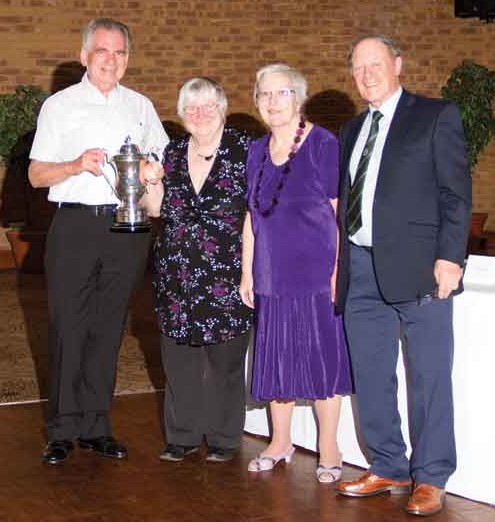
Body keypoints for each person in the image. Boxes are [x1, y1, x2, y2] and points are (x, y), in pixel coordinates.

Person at [335, 34, 471, 516]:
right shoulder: (352, 129)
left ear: (397, 64)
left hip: (421, 268)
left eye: (375, 64)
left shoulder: (435, 116)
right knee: (370, 374)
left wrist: (451, 257)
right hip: (361, 268)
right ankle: (388, 463)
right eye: (358, 67)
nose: (366, 74)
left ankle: (431, 475)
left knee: (428, 375)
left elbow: (455, 193)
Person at [28, 18, 168, 465]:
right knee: (68, 326)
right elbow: (35, 174)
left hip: (128, 228)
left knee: (109, 327)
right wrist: (74, 164)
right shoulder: (60, 106)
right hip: (76, 226)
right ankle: (61, 430)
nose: (111, 60)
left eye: (120, 52)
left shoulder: (141, 106)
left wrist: (153, 170)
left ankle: (96, 426)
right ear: (85, 56)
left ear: (128, 58)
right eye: (103, 51)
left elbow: (161, 159)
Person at [240, 64, 352, 482]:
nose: (272, 101)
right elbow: (252, 216)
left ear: (299, 98)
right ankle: (280, 441)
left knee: (323, 359)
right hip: (271, 272)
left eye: (282, 93)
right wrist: (248, 271)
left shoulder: (323, 144)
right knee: (277, 357)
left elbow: (339, 213)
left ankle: (329, 446)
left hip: (316, 273)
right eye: (264, 94)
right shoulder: (256, 150)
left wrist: (338, 270)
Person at [140, 77, 252, 463]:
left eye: (207, 106)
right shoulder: (171, 153)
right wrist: (150, 182)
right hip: (177, 272)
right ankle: (182, 435)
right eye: (191, 107)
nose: (199, 114)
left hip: (228, 272)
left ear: (222, 108)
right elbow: (156, 209)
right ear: (181, 114)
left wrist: (251, 272)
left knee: (226, 361)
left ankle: (224, 437)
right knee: (179, 360)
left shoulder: (244, 150)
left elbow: (256, 214)